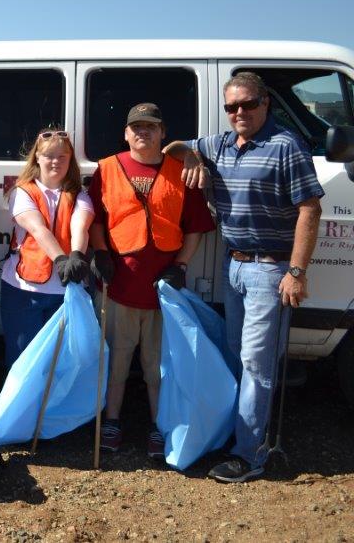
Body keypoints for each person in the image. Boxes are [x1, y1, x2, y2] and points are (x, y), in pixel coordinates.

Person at [164, 72, 323, 483]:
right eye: (231, 107)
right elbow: (173, 147)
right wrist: (192, 156)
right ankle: (238, 433)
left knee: (256, 363)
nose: (239, 113)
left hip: (271, 269)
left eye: (247, 105)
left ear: (265, 104)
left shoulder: (286, 146)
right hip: (233, 266)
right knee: (237, 354)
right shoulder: (218, 143)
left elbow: (310, 209)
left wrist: (297, 272)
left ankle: (250, 455)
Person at [88, 102, 214, 459]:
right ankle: (111, 422)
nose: (143, 132)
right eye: (136, 127)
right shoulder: (107, 168)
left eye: (151, 127)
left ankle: (159, 427)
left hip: (163, 289)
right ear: (126, 133)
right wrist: (99, 252)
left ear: (162, 133)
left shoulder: (180, 171)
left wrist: (183, 265)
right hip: (119, 287)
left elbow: (195, 227)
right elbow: (96, 218)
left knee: (157, 365)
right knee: (116, 361)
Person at [0, 128, 93, 368]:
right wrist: (62, 260)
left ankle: (50, 407)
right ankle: (20, 406)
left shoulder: (79, 194)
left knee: (59, 364)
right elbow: (37, 228)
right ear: (37, 158)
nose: (55, 162)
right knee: (22, 361)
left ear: (70, 160)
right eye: (49, 156)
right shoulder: (22, 192)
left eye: (62, 156)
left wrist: (76, 256)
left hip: (64, 292)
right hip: (23, 290)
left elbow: (80, 227)